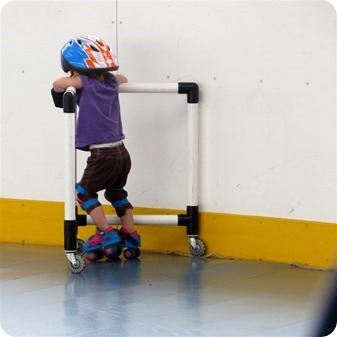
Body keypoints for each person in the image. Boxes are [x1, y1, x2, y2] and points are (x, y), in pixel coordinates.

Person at [52, 35, 140, 261]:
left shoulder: (84, 82)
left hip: (102, 154)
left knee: (83, 193)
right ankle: (130, 234)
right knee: (116, 192)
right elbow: (123, 77)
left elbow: (58, 85)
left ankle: (107, 233)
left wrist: (71, 79)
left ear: (74, 68)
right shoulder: (111, 81)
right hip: (122, 151)